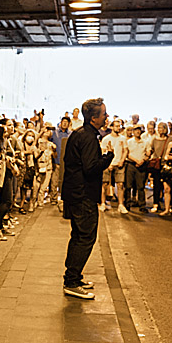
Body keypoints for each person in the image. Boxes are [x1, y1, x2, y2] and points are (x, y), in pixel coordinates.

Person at [62, 98, 114, 299]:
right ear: (94, 118)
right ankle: (72, 281)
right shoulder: (88, 138)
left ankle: (73, 276)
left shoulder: (81, 134)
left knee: (78, 236)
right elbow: (90, 168)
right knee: (85, 237)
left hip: (77, 194)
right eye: (104, 114)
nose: (106, 117)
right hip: (83, 195)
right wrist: (107, 158)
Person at [100, 118, 128, 213]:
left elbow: (125, 150)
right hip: (108, 165)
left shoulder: (123, 139)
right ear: (111, 127)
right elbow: (103, 151)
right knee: (104, 184)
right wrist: (108, 164)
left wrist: (122, 161)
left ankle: (121, 205)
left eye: (119, 126)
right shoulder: (106, 139)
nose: (118, 128)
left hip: (119, 164)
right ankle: (103, 203)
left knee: (120, 185)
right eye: (116, 126)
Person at [126, 124, 152, 210]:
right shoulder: (129, 142)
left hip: (141, 165)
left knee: (140, 186)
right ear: (133, 132)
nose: (137, 131)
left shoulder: (145, 142)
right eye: (135, 130)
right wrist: (136, 161)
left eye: (139, 130)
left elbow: (148, 153)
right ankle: (128, 203)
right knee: (128, 185)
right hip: (131, 164)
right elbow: (127, 154)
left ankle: (142, 205)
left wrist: (143, 160)